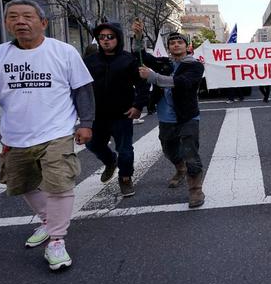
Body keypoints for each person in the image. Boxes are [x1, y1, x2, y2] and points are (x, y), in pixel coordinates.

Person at [0, 0, 94, 271]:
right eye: (13, 17)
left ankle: (56, 239)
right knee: (23, 183)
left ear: (43, 23)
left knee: (59, 184)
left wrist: (85, 122)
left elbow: (82, 90)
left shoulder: (63, 52)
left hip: (56, 132)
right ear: (6, 24)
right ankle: (47, 221)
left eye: (28, 16)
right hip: (15, 136)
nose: (20, 21)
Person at [134, 23, 207, 208]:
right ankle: (180, 168)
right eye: (172, 42)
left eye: (179, 42)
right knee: (169, 149)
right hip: (165, 117)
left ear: (186, 46)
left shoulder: (195, 66)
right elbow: (140, 56)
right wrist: (138, 37)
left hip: (187, 116)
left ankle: (195, 190)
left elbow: (182, 83)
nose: (176, 45)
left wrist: (153, 77)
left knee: (190, 153)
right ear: (168, 47)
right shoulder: (163, 63)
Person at [84, 22, 149, 197]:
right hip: (97, 115)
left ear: (118, 39)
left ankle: (125, 178)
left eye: (110, 37)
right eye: (102, 37)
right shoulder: (89, 61)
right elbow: (79, 86)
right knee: (93, 144)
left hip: (122, 114)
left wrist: (137, 106)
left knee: (126, 151)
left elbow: (142, 85)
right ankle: (110, 160)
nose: (105, 40)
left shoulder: (128, 60)